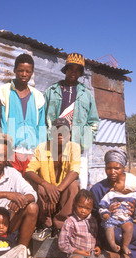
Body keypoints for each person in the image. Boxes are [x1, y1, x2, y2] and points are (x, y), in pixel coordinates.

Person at [44, 53, 99, 189]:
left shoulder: (86, 94)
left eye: (77, 69)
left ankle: (78, 209)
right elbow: (43, 118)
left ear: (80, 73)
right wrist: (48, 136)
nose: (73, 72)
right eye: (71, 68)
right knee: (53, 175)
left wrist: (84, 141)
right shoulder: (52, 91)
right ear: (66, 70)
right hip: (55, 142)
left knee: (78, 179)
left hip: (78, 143)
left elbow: (93, 121)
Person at [25, 118, 80, 239]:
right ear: (52, 133)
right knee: (37, 185)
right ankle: (46, 225)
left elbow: (74, 172)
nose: (60, 134)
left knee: (74, 185)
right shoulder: (42, 148)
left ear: (70, 134)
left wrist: (57, 190)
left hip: (62, 192)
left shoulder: (74, 147)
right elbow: (29, 171)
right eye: (57, 130)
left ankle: (61, 225)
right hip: (46, 194)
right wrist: (46, 185)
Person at [0, 53, 46, 175]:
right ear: (14, 70)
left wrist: (40, 154)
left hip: (32, 154)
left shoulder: (38, 96)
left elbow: (41, 127)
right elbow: (1, 122)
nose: (24, 74)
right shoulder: (3, 91)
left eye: (28, 71)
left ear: (32, 73)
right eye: (20, 70)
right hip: (11, 152)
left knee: (30, 190)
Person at [58, 189, 114, 258]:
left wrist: (97, 246)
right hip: (77, 254)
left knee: (112, 256)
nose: (83, 211)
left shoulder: (93, 220)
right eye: (80, 206)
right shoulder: (70, 222)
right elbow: (62, 244)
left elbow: (95, 237)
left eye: (88, 208)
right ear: (75, 204)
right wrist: (79, 252)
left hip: (92, 253)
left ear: (91, 209)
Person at [98, 172, 136, 255]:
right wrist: (105, 213)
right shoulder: (111, 194)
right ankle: (112, 244)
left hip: (126, 218)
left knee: (129, 227)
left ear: (126, 188)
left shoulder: (134, 195)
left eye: (118, 182)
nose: (114, 184)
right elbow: (102, 205)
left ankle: (125, 245)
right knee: (109, 227)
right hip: (112, 218)